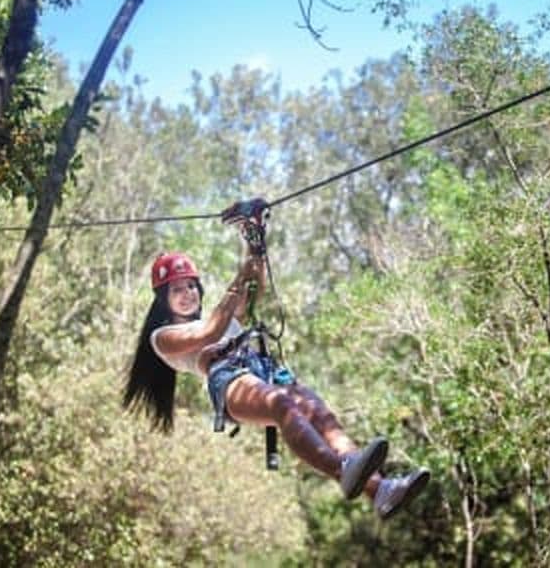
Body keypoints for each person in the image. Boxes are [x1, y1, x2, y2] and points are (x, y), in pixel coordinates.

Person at [122, 209, 429, 520]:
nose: (188, 294)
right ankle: (342, 469)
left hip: (261, 367)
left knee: (317, 411)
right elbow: (208, 332)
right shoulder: (163, 337)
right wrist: (238, 277)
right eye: (177, 289)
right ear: (163, 298)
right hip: (228, 380)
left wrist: (254, 242)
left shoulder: (222, 316)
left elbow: (254, 288)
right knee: (282, 405)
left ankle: (380, 490)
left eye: (191, 286)